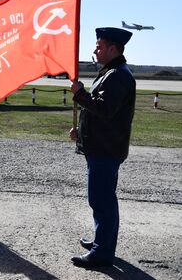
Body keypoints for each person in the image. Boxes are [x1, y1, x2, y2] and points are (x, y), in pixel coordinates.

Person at [69, 27, 136, 268]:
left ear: (112, 48)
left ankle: (102, 252)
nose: (95, 51)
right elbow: (101, 112)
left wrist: (79, 94)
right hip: (102, 146)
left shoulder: (118, 75)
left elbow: (104, 109)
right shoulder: (111, 72)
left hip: (106, 150)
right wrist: (80, 132)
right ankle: (102, 241)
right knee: (100, 199)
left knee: (102, 200)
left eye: (99, 46)